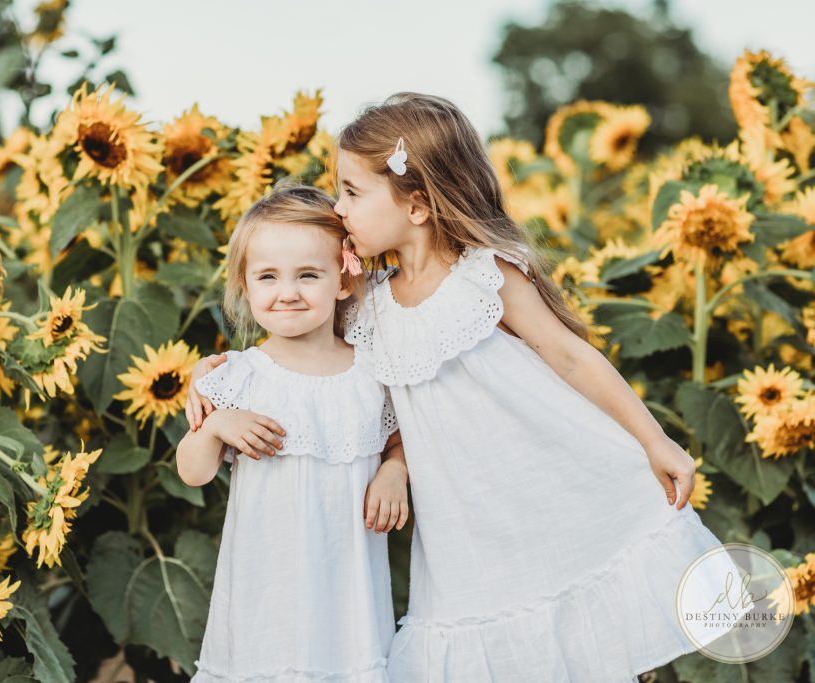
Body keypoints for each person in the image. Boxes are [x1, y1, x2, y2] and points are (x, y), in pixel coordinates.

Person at [189, 94, 745, 681]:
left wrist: (655, 441)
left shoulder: (483, 274)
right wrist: (215, 371)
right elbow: (299, 350)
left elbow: (569, 356)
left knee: (571, 623)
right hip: (462, 523)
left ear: (419, 205)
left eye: (352, 192)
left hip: (532, 480)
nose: (338, 207)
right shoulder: (367, 307)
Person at [177, 183, 409, 682]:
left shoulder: (370, 373)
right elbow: (193, 473)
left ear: (343, 280)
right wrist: (217, 424)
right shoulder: (238, 376)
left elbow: (400, 438)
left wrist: (395, 472)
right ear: (246, 284)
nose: (287, 292)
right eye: (267, 276)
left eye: (308, 274)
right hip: (268, 587)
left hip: (346, 586)